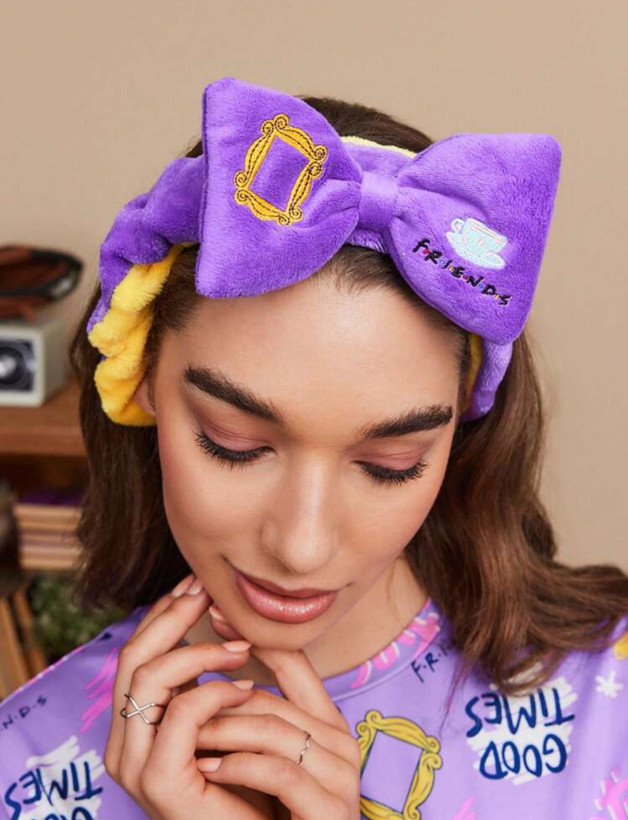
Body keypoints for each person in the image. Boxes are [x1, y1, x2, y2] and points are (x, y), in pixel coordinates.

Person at [0, 76, 626, 820]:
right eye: (234, 444)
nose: (301, 548)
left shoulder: (609, 702)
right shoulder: (23, 764)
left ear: (459, 432)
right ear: (140, 380)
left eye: (389, 465)